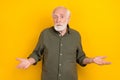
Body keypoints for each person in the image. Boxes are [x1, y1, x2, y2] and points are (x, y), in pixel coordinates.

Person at [16, 6, 111, 80]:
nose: (58, 20)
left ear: (69, 18)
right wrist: (29, 61)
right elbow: (36, 54)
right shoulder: (45, 34)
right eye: (55, 17)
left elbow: (80, 58)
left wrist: (92, 60)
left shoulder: (76, 35)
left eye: (62, 16)